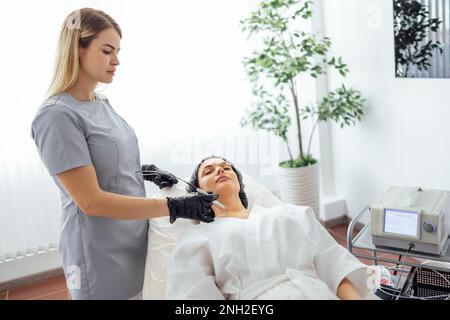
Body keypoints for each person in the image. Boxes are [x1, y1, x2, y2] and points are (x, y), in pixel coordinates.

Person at [30, 8, 217, 300]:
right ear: (77, 49)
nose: (116, 60)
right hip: (99, 253)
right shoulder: (56, 117)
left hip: (132, 237)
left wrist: (145, 172)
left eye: (117, 51)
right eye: (107, 51)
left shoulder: (100, 102)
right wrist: (174, 207)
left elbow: (104, 160)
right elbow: (90, 200)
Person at [166, 156, 372, 300]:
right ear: (198, 192)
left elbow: (334, 264)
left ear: (239, 182)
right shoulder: (196, 238)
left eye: (226, 167)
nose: (220, 169)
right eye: (208, 171)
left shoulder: (292, 213)